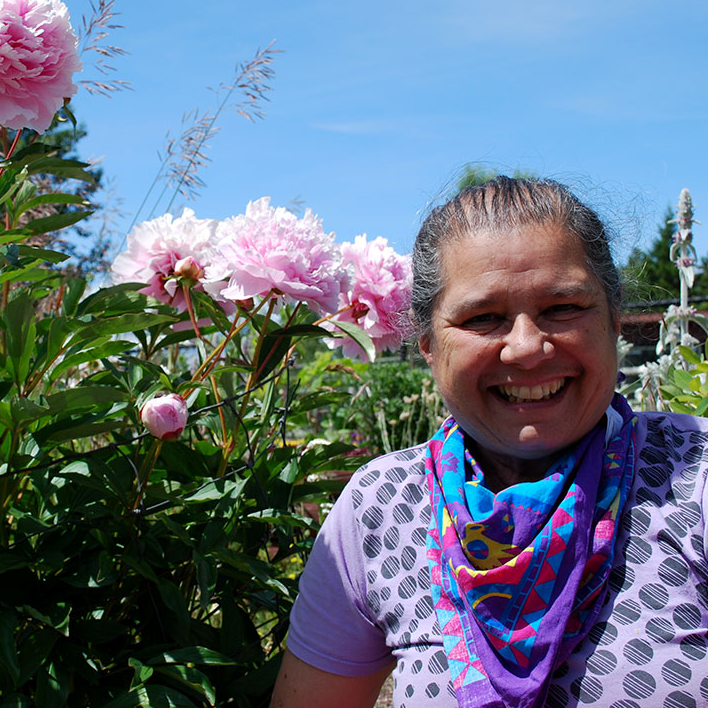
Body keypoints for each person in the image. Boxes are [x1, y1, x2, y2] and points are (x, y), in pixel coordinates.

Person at [271, 177, 708, 708]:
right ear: (429, 344)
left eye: (564, 306)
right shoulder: (382, 507)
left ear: (614, 317)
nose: (526, 347)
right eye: (483, 318)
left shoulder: (692, 476)